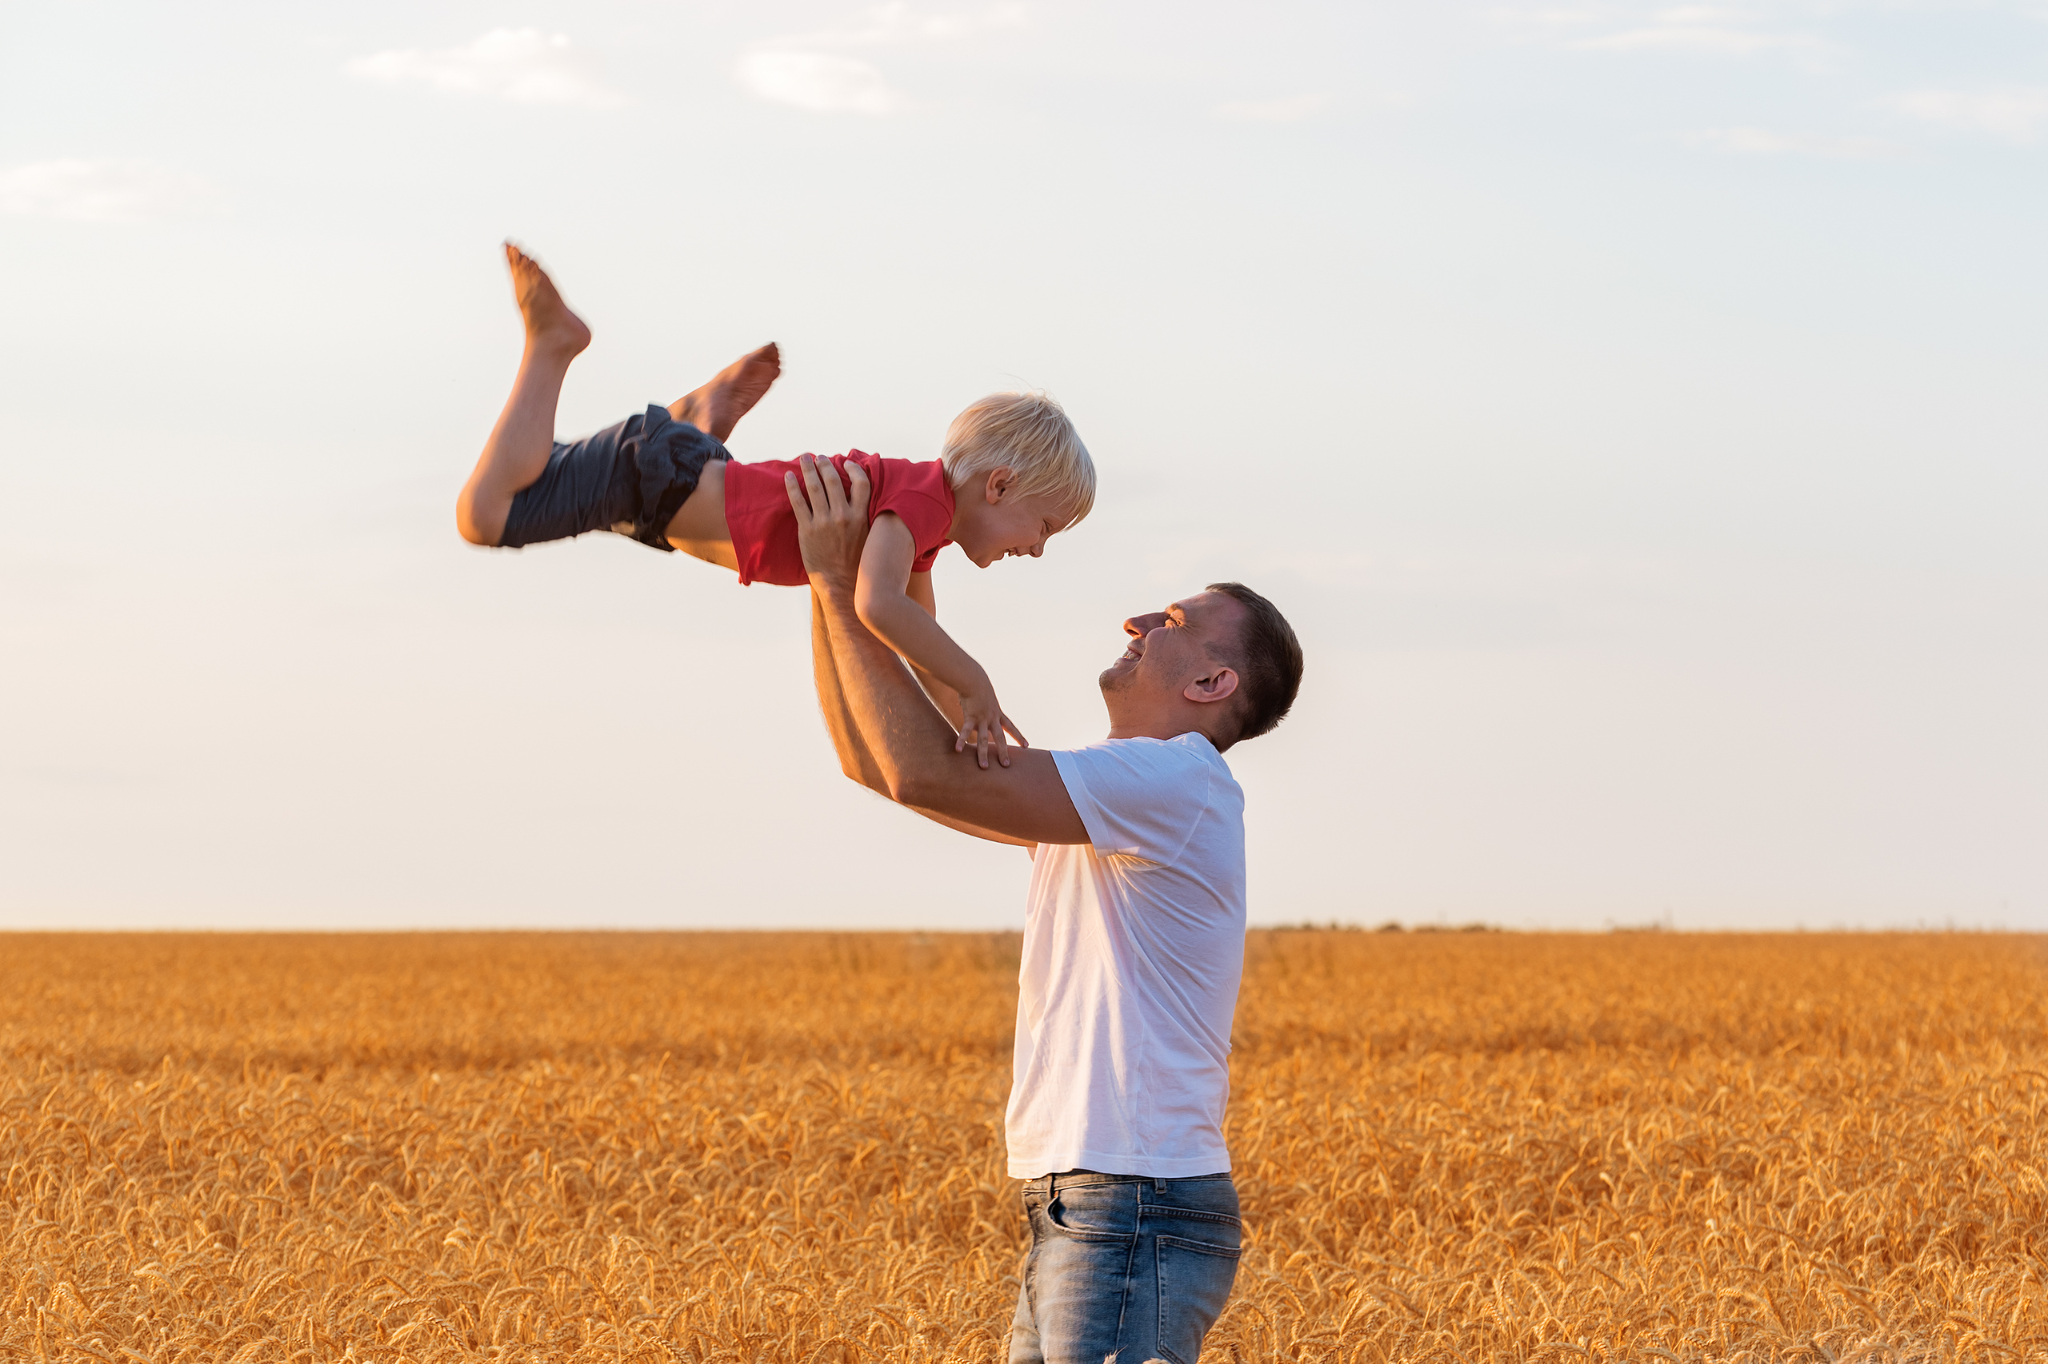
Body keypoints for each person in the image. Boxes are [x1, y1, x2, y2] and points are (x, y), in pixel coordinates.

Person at [783, 457, 1304, 1364]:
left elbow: (920, 768)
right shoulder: (1116, 799)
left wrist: (837, 580)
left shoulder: (1174, 781)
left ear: (1213, 686)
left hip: (1130, 1200)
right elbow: (877, 762)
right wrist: (859, 587)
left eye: (1172, 622)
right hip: (1094, 1197)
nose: (1138, 622)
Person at [454, 244, 1095, 763]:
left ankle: (695, 426)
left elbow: (917, 641)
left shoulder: (921, 530)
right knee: (485, 517)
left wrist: (973, 730)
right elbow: (878, 607)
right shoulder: (921, 500)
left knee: (533, 481)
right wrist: (976, 679)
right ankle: (553, 345)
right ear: (1000, 485)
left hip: (667, 495)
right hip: (648, 482)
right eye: (1043, 527)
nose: (1036, 548)